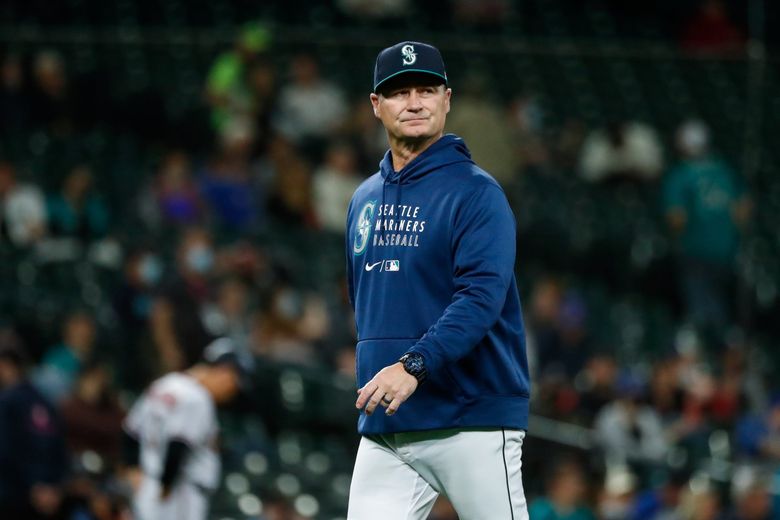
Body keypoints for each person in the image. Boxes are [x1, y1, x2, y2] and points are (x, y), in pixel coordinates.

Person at [345, 41, 530, 519]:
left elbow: (480, 299)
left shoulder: (476, 193)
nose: (414, 102)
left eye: (426, 89)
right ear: (375, 105)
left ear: (447, 99)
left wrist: (412, 365)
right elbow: (364, 301)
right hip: (389, 424)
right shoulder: (363, 198)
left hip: (471, 420)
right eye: (399, 92)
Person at [122, 337, 254, 520]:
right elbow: (177, 444)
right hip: (178, 492)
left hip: (149, 484)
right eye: (234, 383)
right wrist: (165, 488)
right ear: (225, 372)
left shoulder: (165, 384)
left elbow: (131, 431)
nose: (232, 392)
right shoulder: (198, 399)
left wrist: (133, 468)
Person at [0, 342, 69, 519]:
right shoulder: (44, 401)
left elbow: (6, 451)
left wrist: (34, 486)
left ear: (6, 365)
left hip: (14, 497)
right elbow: (60, 451)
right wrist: (52, 487)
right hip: (48, 498)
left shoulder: (7, 401)